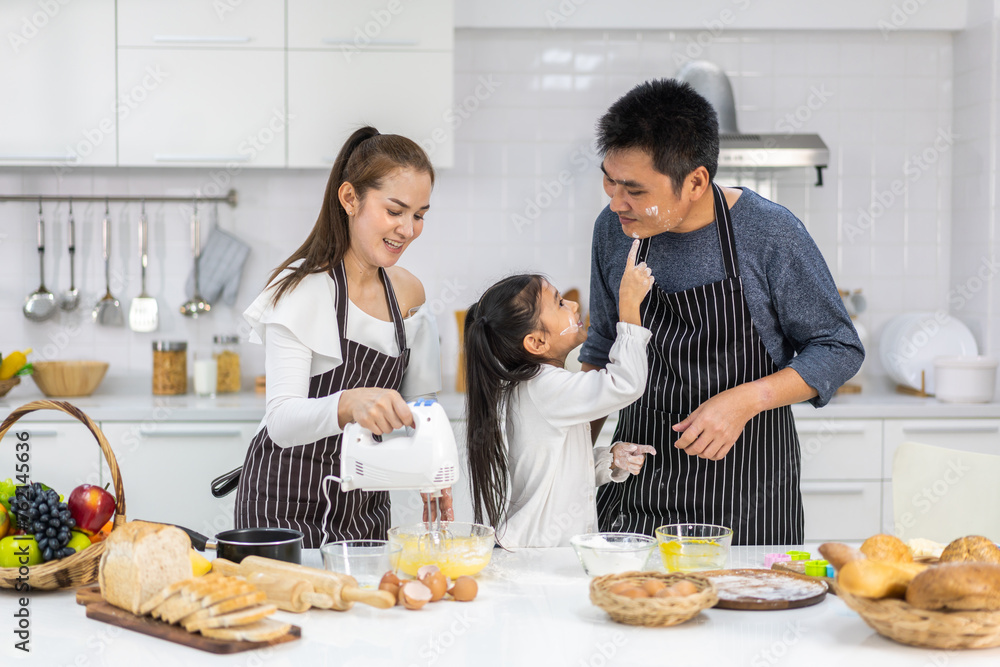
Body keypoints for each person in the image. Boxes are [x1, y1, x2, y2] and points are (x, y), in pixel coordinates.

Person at [579, 79, 865, 546]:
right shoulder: (614, 230)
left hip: (749, 494)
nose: (615, 203)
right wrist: (571, 460)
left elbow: (838, 348)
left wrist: (744, 401)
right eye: (609, 182)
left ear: (695, 181)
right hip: (636, 482)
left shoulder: (769, 232)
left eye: (632, 189)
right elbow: (603, 348)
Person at [232, 126, 448, 548]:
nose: (407, 229)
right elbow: (280, 421)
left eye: (419, 214)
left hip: (364, 508)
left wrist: (433, 468)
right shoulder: (301, 291)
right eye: (395, 210)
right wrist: (349, 403)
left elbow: (423, 405)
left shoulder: (409, 293)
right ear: (350, 199)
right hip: (282, 506)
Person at [463, 242, 657, 548]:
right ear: (537, 343)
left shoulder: (539, 386)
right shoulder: (546, 388)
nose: (574, 305)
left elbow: (556, 474)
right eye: (560, 304)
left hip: (543, 552)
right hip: (539, 555)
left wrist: (607, 460)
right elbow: (627, 384)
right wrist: (629, 306)